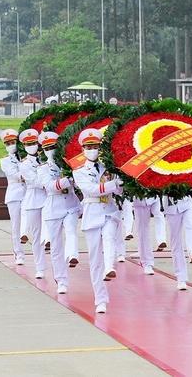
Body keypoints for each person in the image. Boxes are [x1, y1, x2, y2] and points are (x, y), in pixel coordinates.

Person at [72, 128, 124, 314]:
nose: (92, 149)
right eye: (89, 146)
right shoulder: (79, 172)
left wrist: (122, 183)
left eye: (95, 146)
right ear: (83, 149)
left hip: (110, 210)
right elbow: (93, 189)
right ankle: (100, 299)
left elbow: (118, 192)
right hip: (92, 213)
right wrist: (113, 184)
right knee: (95, 259)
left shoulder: (109, 168)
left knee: (110, 237)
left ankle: (110, 267)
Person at [37, 132, 81, 294]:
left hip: (69, 202)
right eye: (47, 148)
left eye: (53, 147)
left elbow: (77, 183)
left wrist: (74, 177)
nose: (51, 150)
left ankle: (72, 255)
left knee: (71, 230)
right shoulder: (42, 168)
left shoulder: (67, 163)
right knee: (55, 246)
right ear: (43, 149)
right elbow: (49, 185)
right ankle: (61, 280)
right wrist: (67, 179)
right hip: (53, 205)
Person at [18, 128, 48, 279]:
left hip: (49, 198)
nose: (32, 146)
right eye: (28, 144)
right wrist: (49, 184)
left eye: (34, 143)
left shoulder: (46, 158)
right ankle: (40, 267)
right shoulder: (23, 164)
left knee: (49, 234)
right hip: (34, 199)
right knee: (36, 236)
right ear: (24, 146)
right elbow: (34, 181)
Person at [0, 129, 27, 265]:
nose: (11, 145)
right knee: (16, 226)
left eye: (13, 142)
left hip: (28, 193)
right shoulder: (5, 160)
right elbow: (14, 173)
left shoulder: (26, 156)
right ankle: (19, 253)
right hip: (15, 193)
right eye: (8, 143)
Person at [163, 196, 192, 290]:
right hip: (171, 205)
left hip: (188, 201)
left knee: (190, 225)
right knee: (176, 240)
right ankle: (181, 277)